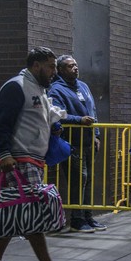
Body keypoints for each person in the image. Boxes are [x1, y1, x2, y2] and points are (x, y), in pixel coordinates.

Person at [0, 47, 76, 261]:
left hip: (33, 159)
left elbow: (37, 117)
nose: (54, 72)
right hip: (19, 159)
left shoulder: (40, 89)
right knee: (33, 213)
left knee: (16, 212)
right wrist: (3, 153)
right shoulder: (16, 86)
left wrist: (52, 126)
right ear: (36, 65)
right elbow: (2, 123)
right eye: (51, 66)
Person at [48, 54, 105, 232]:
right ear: (61, 70)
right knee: (78, 180)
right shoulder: (56, 89)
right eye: (70, 66)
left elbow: (92, 110)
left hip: (89, 141)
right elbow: (57, 114)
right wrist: (79, 120)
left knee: (88, 180)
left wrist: (96, 135)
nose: (75, 68)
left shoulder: (83, 86)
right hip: (72, 142)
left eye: (76, 65)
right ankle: (77, 220)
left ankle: (88, 216)